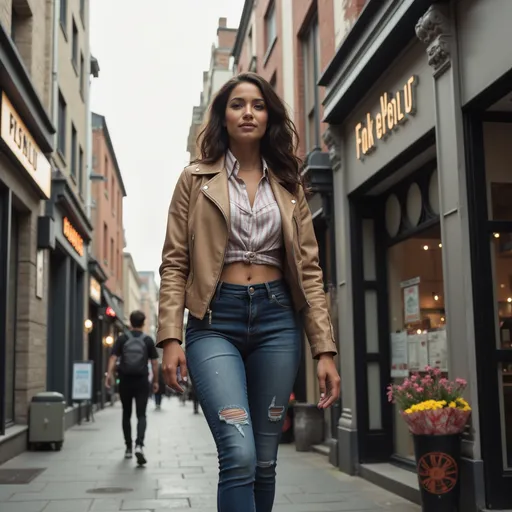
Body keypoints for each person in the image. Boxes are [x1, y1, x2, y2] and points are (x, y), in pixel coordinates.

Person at [156, 72, 341, 512]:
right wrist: (170, 338)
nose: (248, 112)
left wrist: (325, 350)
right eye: (238, 104)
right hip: (215, 320)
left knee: (264, 460)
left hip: (278, 321)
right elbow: (175, 261)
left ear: (268, 116)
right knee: (237, 454)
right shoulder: (194, 180)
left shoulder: (289, 184)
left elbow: (310, 271)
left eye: (257, 105)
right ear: (223, 116)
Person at [105, 310, 159, 465]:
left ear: (130, 322)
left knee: (126, 413)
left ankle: (128, 447)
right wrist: (155, 381)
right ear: (143, 323)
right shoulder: (148, 340)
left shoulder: (122, 338)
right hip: (142, 381)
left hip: (125, 380)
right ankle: (139, 445)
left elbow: (113, 357)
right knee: (141, 414)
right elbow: (154, 363)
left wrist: (109, 375)